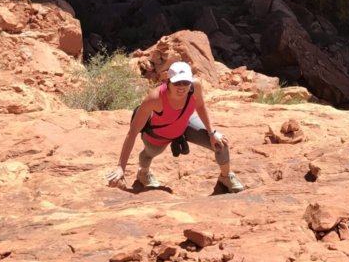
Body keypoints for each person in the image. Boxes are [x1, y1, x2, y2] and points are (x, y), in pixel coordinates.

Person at [105, 61, 245, 193]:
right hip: (159, 133)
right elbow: (133, 132)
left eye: (185, 82)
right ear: (168, 81)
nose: (182, 86)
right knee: (149, 154)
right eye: (177, 82)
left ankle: (225, 177)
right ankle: (143, 173)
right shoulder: (155, 98)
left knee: (221, 143)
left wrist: (212, 132)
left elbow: (200, 106)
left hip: (185, 123)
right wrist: (120, 167)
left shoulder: (195, 87)